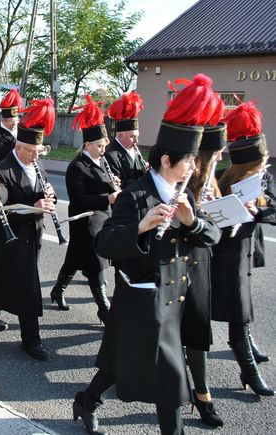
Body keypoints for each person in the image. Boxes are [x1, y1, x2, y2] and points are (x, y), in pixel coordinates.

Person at [72, 74, 221, 435]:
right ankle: (90, 402)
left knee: (125, 366)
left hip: (175, 298)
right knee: (161, 380)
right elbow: (104, 243)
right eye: (189, 162)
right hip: (143, 298)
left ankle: (86, 401)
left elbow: (212, 235)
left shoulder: (182, 194)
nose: (194, 168)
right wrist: (139, 228)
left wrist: (191, 222)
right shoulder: (136, 195)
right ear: (168, 159)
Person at [0, 99, 57, 361]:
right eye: (33, 151)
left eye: (39, 150)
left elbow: (43, 193)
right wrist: (33, 204)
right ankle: (31, 341)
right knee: (28, 287)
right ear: (19, 146)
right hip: (11, 237)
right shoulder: (3, 171)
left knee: (4, 279)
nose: (37, 156)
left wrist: (50, 199)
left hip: (32, 234)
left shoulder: (37, 164)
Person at [211, 100, 275, 397]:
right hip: (228, 255)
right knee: (238, 311)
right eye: (260, 165)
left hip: (249, 249)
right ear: (246, 165)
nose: (265, 169)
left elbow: (273, 205)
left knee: (244, 305)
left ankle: (247, 343)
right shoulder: (221, 182)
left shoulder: (262, 180)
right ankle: (249, 371)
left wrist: (258, 210)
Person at [49, 96, 119, 321]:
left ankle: (57, 290)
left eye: (104, 146)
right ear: (87, 144)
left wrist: (111, 184)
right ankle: (104, 308)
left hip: (103, 220)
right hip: (85, 222)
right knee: (95, 264)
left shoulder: (101, 163)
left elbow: (101, 188)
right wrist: (107, 198)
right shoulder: (77, 167)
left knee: (74, 261)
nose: (102, 149)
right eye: (99, 146)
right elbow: (78, 199)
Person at [183, 110, 227, 427]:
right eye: (218, 151)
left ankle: (202, 395)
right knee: (149, 335)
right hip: (175, 267)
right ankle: (93, 396)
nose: (223, 154)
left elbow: (215, 230)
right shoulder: (184, 178)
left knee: (197, 332)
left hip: (200, 265)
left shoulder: (211, 180)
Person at [104, 91, 147, 188]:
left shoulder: (134, 150)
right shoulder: (111, 155)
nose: (136, 141)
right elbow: (119, 185)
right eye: (132, 137)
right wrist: (146, 182)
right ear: (120, 136)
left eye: (137, 136)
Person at [0, 88, 22, 162]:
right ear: (3, 120)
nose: (15, 124)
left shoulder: (21, 132)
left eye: (17, 120)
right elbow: (3, 156)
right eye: (12, 121)